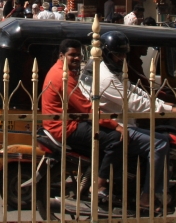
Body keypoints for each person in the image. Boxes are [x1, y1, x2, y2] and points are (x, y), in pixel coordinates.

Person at [81, 30, 174, 210]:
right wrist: (167, 109)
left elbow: (133, 89)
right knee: (160, 144)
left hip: (114, 120)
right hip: (111, 125)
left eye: (124, 54)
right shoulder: (104, 76)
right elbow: (132, 101)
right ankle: (147, 197)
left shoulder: (106, 68)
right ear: (108, 53)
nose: (122, 58)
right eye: (118, 54)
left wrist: (163, 103)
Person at [42, 38, 123, 203]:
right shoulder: (62, 76)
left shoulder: (61, 72)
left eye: (79, 55)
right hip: (65, 127)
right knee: (115, 139)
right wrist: (115, 125)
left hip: (64, 122)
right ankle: (99, 185)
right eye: (72, 55)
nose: (77, 58)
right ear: (62, 55)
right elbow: (87, 109)